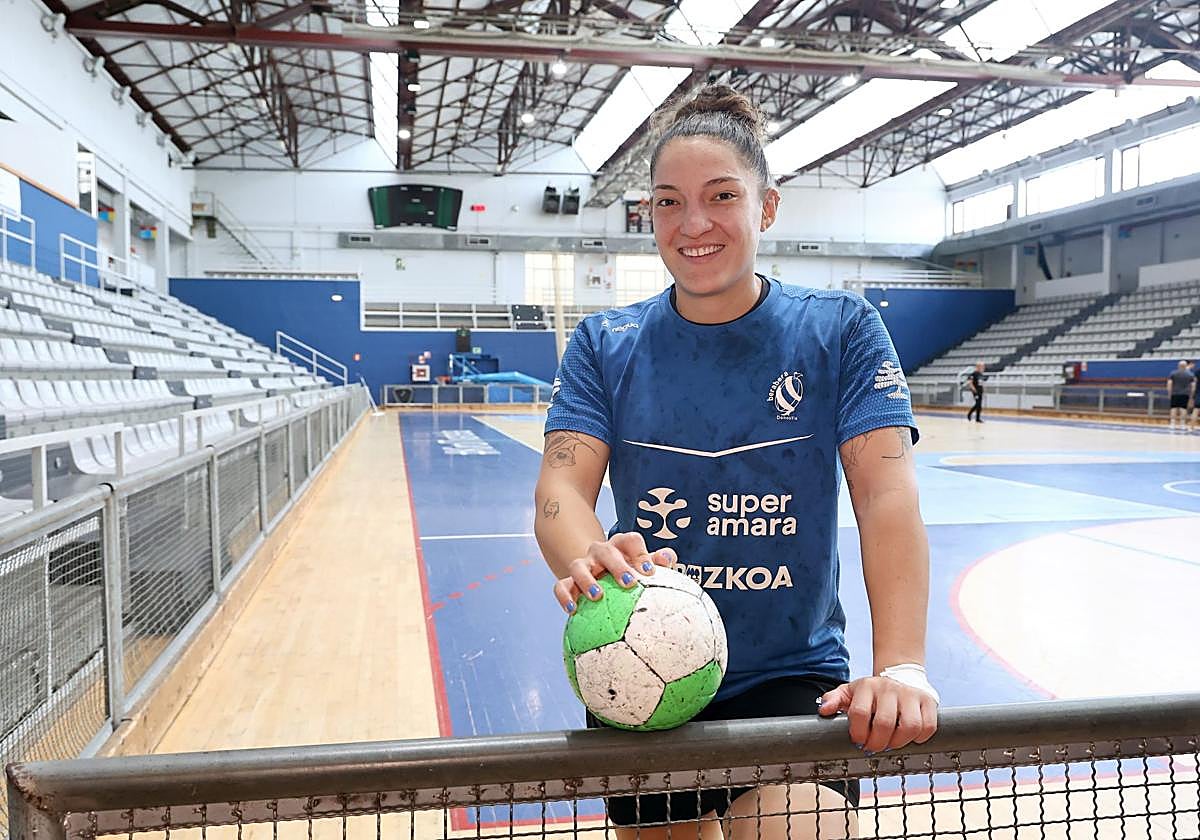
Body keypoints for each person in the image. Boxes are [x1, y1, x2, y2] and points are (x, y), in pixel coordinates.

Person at [534, 85, 937, 840]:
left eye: (721, 196)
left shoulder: (840, 331)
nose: (693, 224)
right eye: (668, 203)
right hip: (636, 660)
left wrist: (902, 666)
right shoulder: (604, 343)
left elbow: (887, 495)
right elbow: (560, 487)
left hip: (792, 673)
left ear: (767, 207)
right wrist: (589, 553)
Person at [1166, 360, 1194, 433]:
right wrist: (1191, 395)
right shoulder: (1190, 374)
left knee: (1173, 408)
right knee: (1183, 409)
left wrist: (1169, 393)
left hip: (1175, 393)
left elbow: (1169, 383)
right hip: (1185, 394)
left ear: (1178, 366)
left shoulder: (1173, 373)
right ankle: (1182, 424)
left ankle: (1172, 424)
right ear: (1186, 366)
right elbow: (1193, 386)